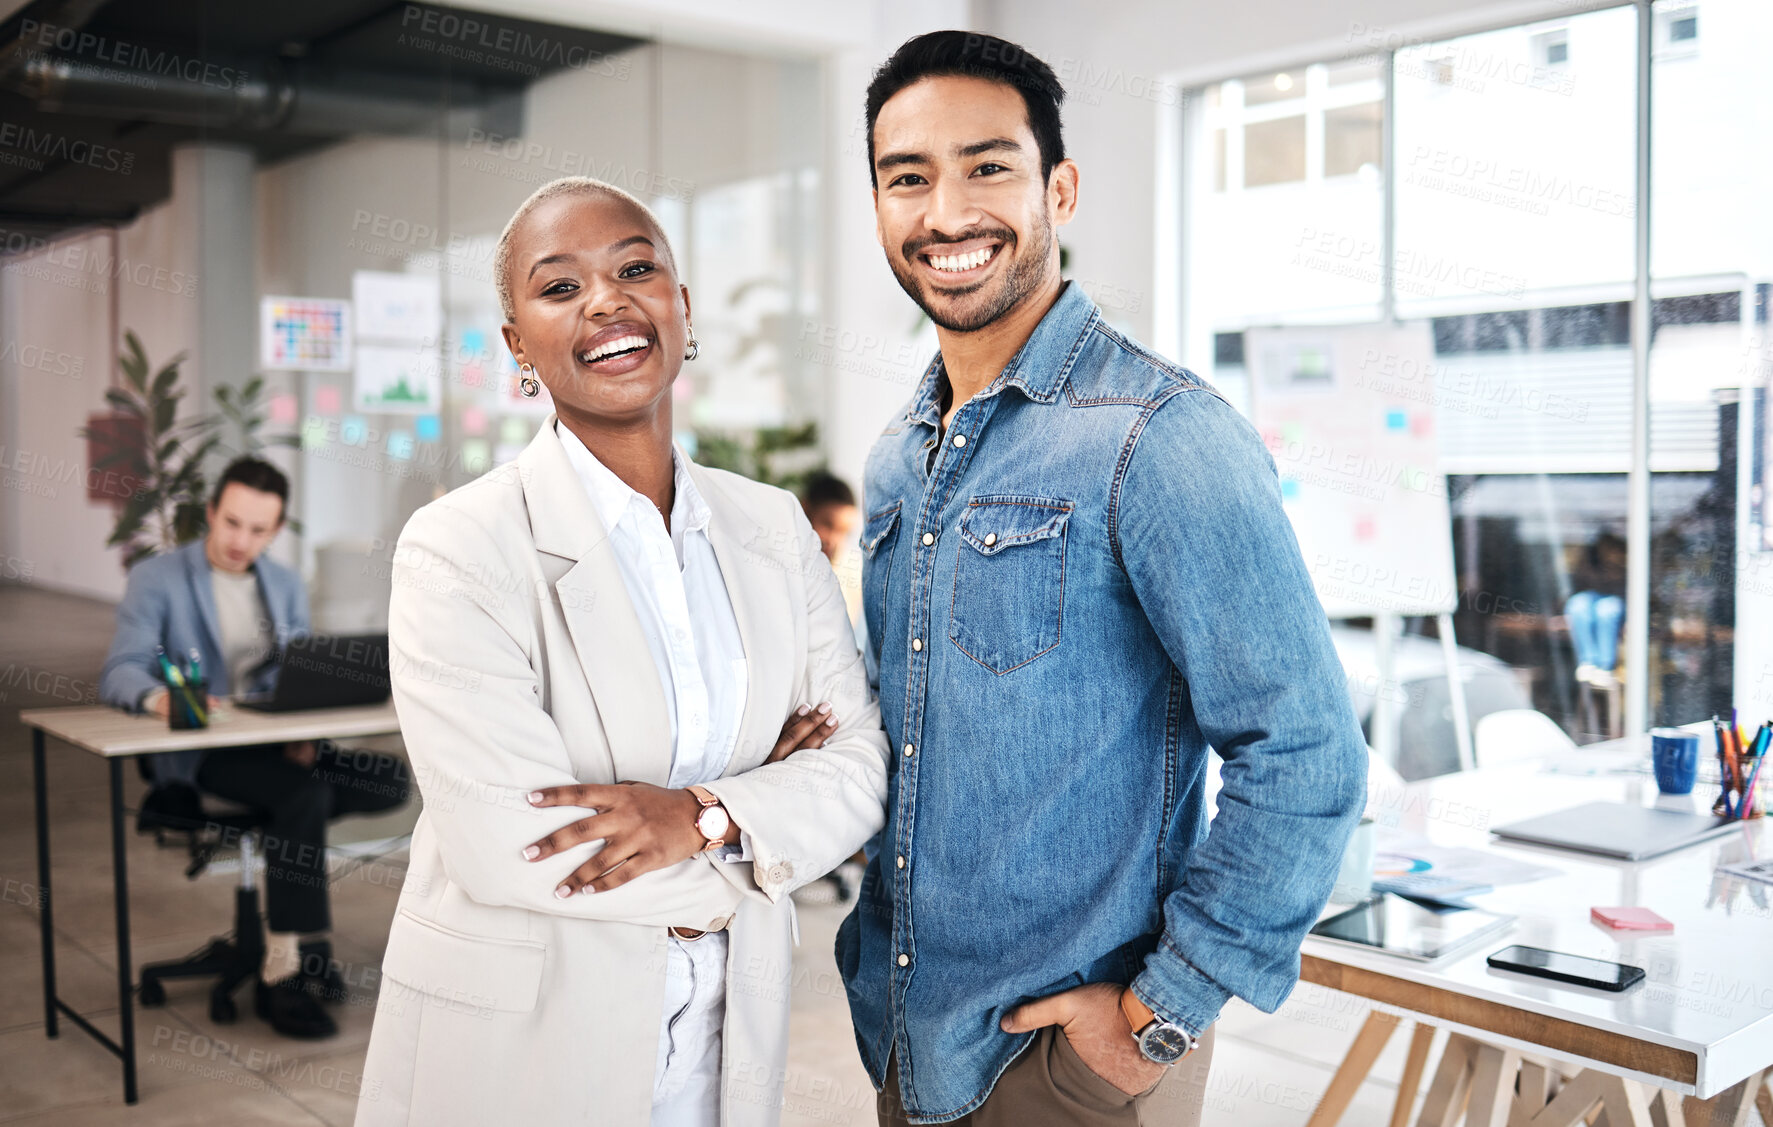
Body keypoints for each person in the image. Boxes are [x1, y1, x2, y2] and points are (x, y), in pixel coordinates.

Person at [841, 32, 1368, 1126]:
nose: (947, 212)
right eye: (909, 176)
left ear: (1059, 189)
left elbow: (1306, 753)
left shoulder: (1160, 436)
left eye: (988, 166)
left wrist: (1154, 1021)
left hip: (1069, 1064)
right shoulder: (899, 456)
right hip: (904, 1034)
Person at [354, 176, 891, 1127]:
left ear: (681, 308)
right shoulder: (459, 547)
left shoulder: (770, 526)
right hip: (527, 1042)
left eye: (636, 269)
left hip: (726, 1036)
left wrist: (702, 815)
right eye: (559, 287)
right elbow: (517, 846)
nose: (606, 301)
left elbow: (857, 775)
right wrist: (762, 815)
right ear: (517, 343)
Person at [99, 456, 410, 1039]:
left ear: (276, 529)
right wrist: (158, 701)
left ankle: (293, 941)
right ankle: (288, 966)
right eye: (233, 523)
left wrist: (302, 732)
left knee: (385, 779)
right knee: (302, 798)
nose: (243, 541)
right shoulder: (159, 579)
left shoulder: (284, 584)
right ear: (211, 513)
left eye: (259, 530)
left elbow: (295, 673)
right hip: (204, 753)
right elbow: (119, 670)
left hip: (273, 741)